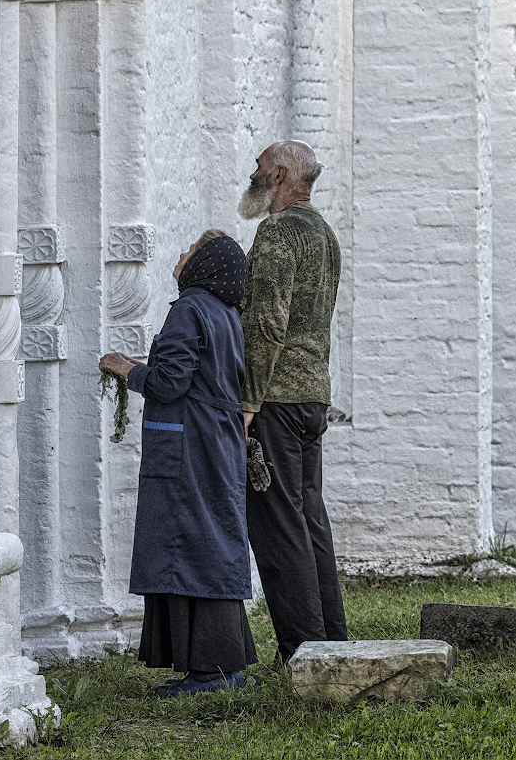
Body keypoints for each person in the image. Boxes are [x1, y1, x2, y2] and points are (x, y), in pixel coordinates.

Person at [99, 229, 257, 695]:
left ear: (205, 265)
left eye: (190, 251)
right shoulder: (226, 313)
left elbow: (170, 383)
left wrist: (127, 369)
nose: (181, 255)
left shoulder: (191, 308)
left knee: (191, 543)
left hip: (192, 444)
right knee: (211, 541)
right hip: (215, 440)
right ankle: (221, 666)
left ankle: (211, 673)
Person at [238, 140, 348, 663]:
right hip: (312, 398)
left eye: (259, 167)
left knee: (280, 526)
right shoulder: (325, 233)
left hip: (277, 401)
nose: (252, 173)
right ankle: (332, 641)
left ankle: (304, 653)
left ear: (281, 175)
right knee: (310, 520)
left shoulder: (278, 232)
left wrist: (249, 399)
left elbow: (266, 322)